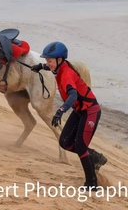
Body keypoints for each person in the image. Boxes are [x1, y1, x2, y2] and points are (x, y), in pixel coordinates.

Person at [31, 41, 107, 191]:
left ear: (60, 60)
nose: (48, 63)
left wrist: (60, 111)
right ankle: (97, 158)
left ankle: (92, 184)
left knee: (80, 147)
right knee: (65, 142)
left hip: (90, 111)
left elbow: (73, 95)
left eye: (49, 61)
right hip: (80, 111)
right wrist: (40, 66)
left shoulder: (66, 74)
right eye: (46, 61)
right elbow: (52, 69)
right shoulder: (60, 67)